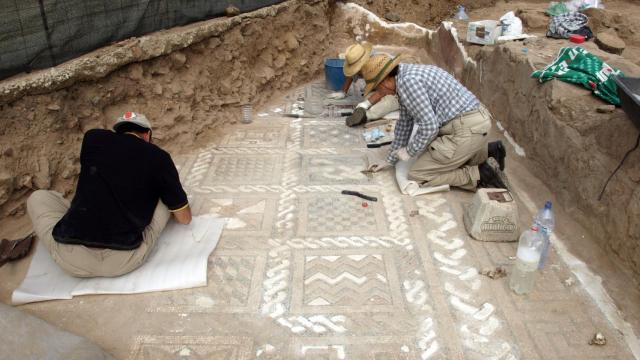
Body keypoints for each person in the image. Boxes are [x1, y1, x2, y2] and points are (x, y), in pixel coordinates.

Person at [26, 112, 192, 277]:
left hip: (72, 260)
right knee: (167, 199)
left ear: (118, 132)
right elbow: (184, 219)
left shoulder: (92, 138)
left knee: (39, 197)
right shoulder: (159, 157)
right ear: (148, 135)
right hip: (124, 260)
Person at [363, 54, 508, 191]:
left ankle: (481, 175)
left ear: (385, 80)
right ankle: (490, 151)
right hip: (474, 123)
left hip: (467, 128)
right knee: (428, 153)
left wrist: (409, 151)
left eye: (378, 87)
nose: (380, 92)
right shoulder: (406, 75)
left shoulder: (408, 83)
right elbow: (405, 123)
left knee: (418, 174)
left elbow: (429, 127)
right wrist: (390, 159)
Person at [326, 42, 400, 126]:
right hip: (379, 87)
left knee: (388, 103)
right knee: (368, 97)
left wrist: (368, 103)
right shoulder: (359, 60)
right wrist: (343, 92)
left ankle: (366, 116)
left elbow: (384, 90)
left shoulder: (379, 63)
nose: (357, 72)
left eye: (357, 68)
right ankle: (365, 112)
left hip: (395, 89)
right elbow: (351, 74)